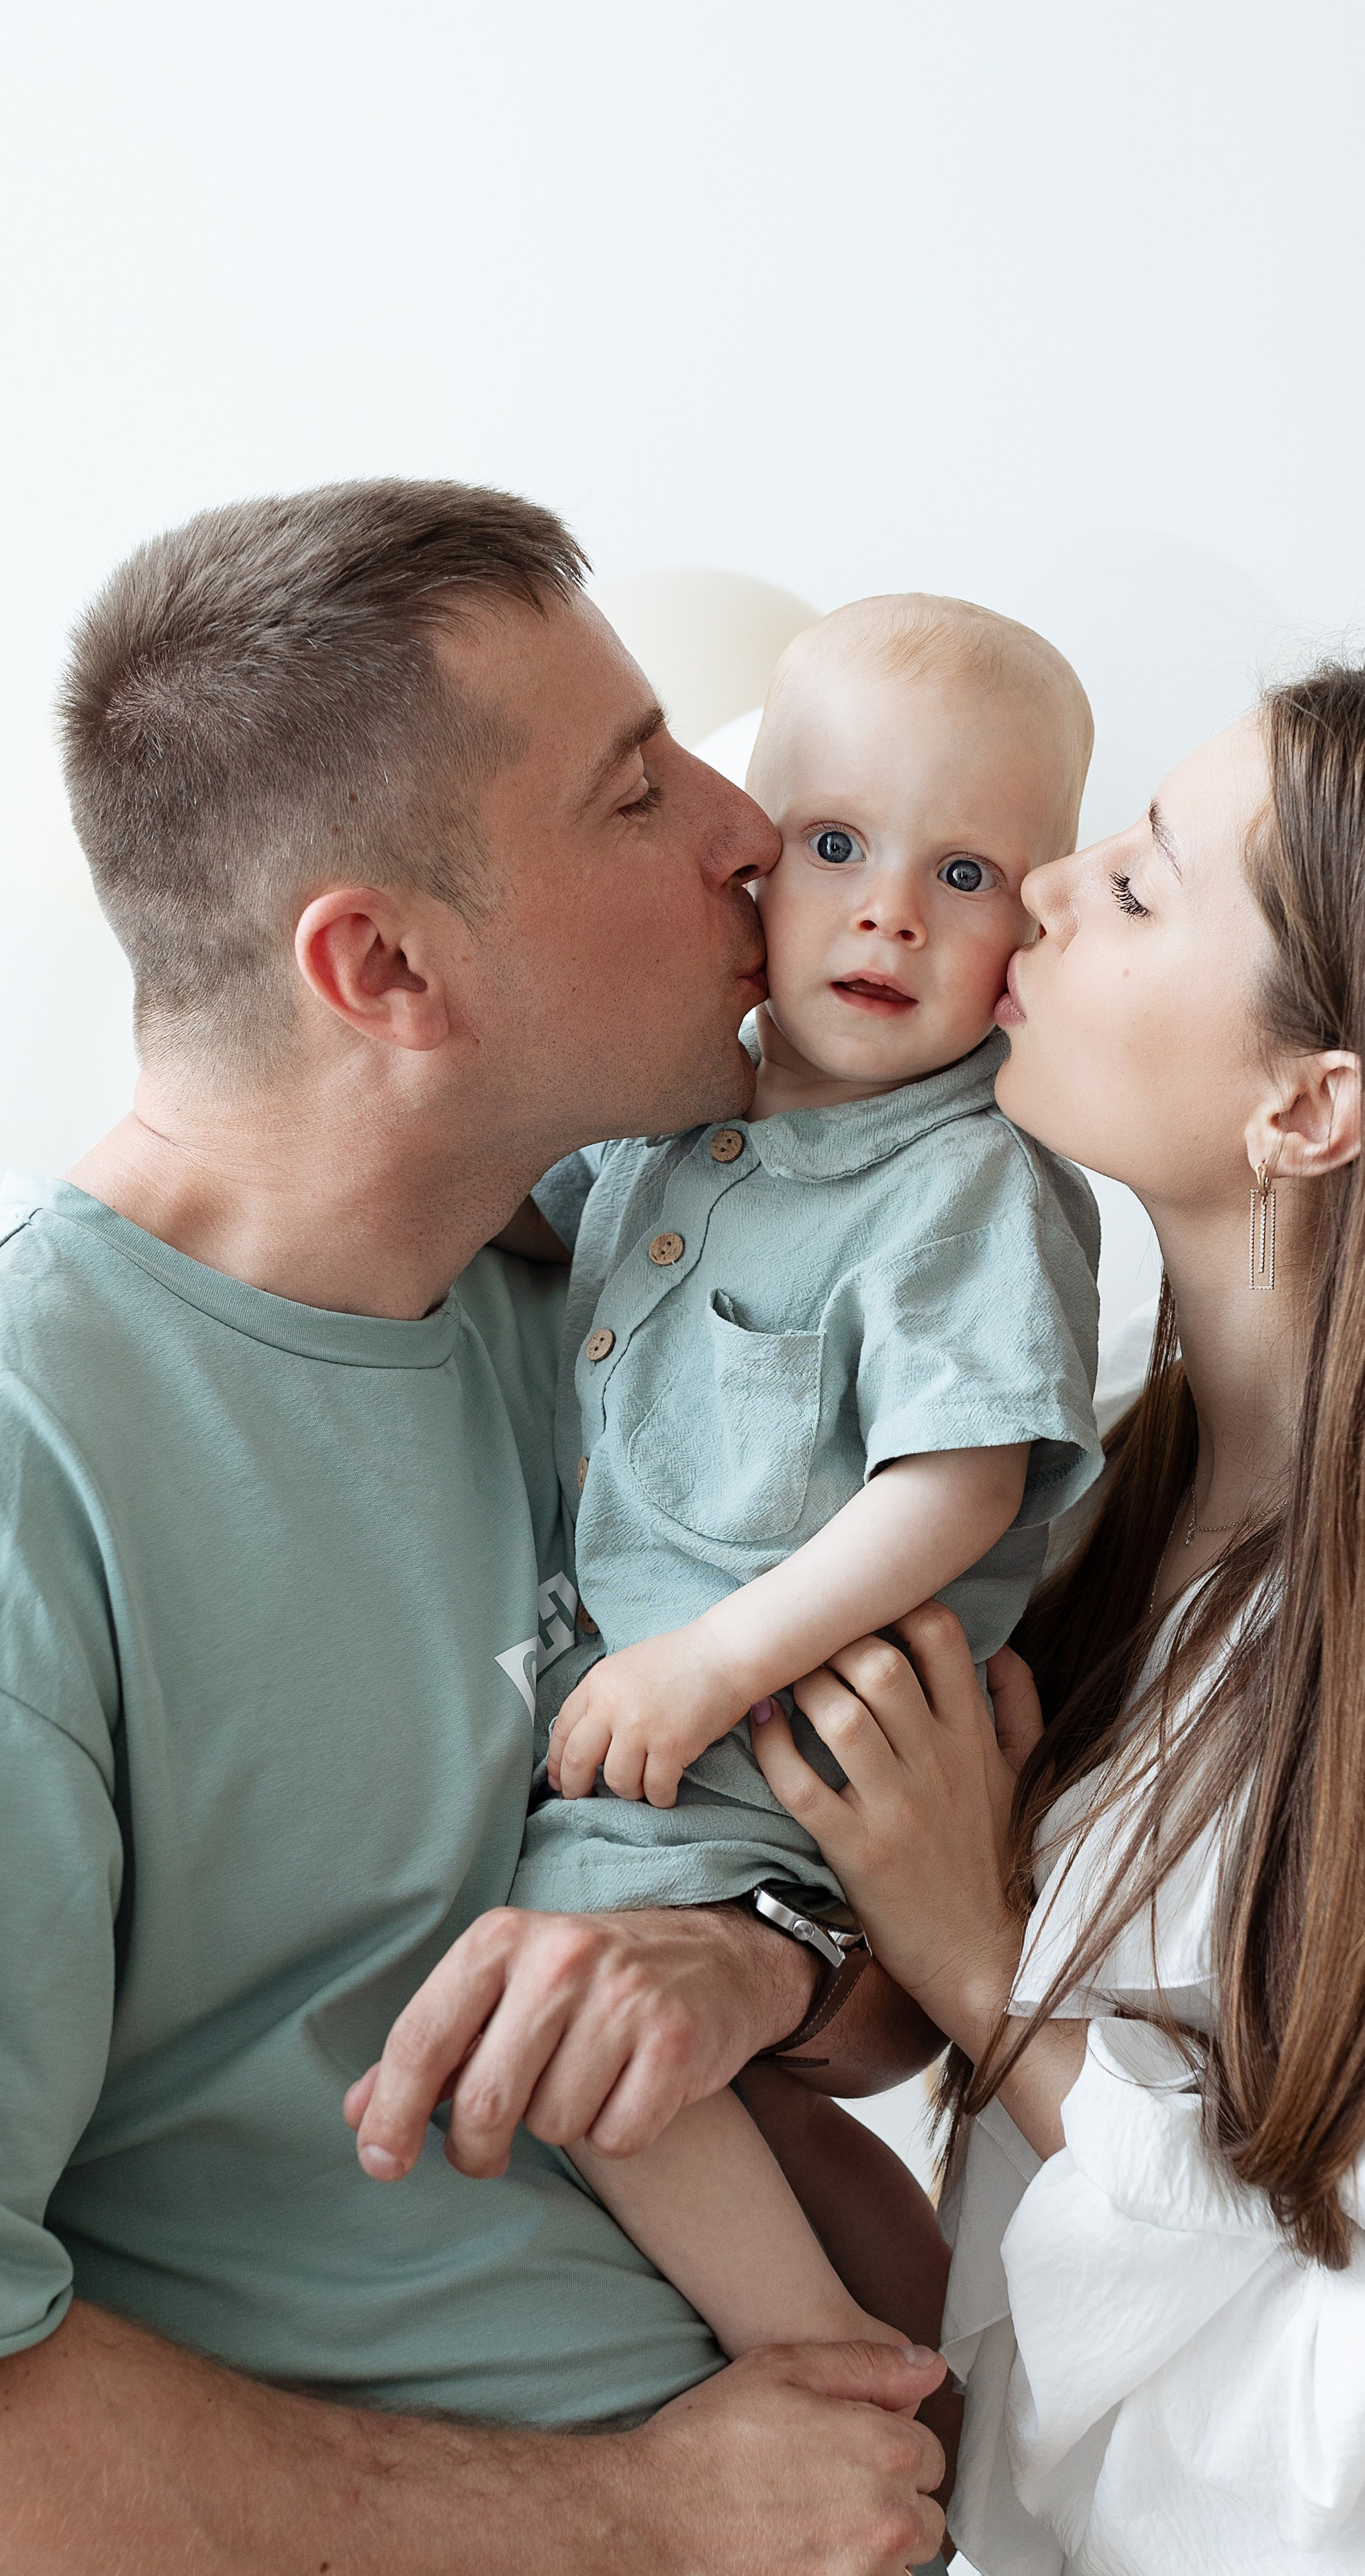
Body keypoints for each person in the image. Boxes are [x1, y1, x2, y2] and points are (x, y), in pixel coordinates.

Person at [0, 479, 947, 2574]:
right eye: (636, 793)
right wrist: (640, 2518)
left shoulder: (642, 1295)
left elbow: (915, 1935)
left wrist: (746, 1960)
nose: (746, 831)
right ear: (388, 965)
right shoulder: (34, 1476)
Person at [741, 664, 1365, 2573]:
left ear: (1310, 1100)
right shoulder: (1085, 1488)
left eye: (1136, 886)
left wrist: (982, 1966)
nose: (1033, 888)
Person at [500, 595, 1102, 2366]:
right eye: (835, 843)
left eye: (970, 873)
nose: (891, 911)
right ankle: (905, 2332)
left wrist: (712, 1661)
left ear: (1037, 929)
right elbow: (512, 1217)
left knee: (576, 2011)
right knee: (722, 2100)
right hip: (636, 1739)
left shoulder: (971, 1180)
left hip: (780, 1748)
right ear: (749, 861)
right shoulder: (684, 1109)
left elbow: (957, 1493)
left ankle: (811, 2372)